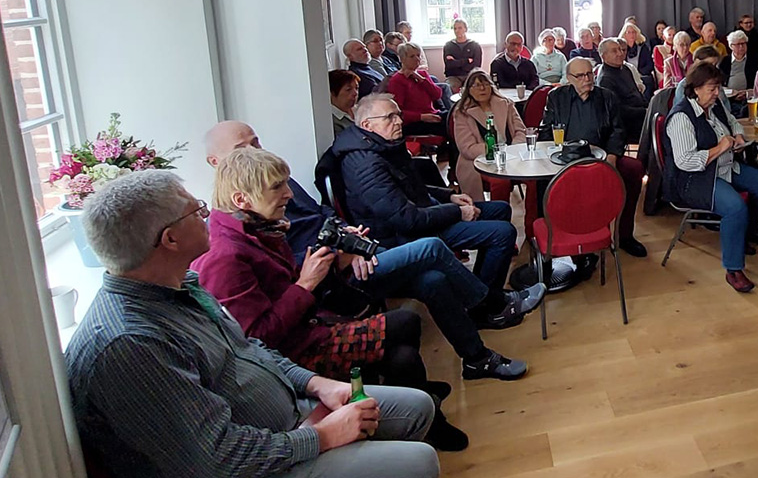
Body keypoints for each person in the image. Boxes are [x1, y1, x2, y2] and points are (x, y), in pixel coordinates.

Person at [65, 172, 440, 478]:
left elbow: (250, 351)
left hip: (284, 424)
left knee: (416, 408)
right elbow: (214, 462)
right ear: (167, 239)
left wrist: (315, 384)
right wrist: (320, 439)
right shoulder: (130, 345)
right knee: (419, 466)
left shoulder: (180, 286)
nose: (210, 213)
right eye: (196, 210)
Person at [207, 121, 528, 385]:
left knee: (433, 281)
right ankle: (492, 303)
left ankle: (476, 359)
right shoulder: (231, 245)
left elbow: (321, 216)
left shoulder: (268, 194)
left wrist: (345, 238)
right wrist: (334, 256)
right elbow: (286, 286)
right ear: (216, 164)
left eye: (256, 141)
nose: (254, 151)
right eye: (242, 149)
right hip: (328, 290)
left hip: (343, 263)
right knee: (432, 248)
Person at [196, 148, 468, 452]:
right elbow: (256, 340)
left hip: (309, 328)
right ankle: (423, 413)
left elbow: (283, 290)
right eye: (277, 187)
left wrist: (334, 265)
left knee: (403, 349)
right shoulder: (224, 257)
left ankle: (417, 412)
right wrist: (306, 283)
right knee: (406, 321)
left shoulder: (257, 229)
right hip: (292, 356)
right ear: (241, 199)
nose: (288, 194)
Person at [331, 95, 539, 369]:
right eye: (390, 118)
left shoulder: (379, 146)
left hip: (422, 215)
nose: (399, 121)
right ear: (368, 124)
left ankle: (486, 302)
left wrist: (450, 197)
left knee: (498, 208)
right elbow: (405, 219)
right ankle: (488, 304)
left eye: (398, 115)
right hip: (403, 235)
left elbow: (411, 189)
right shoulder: (364, 163)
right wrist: (455, 212)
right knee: (500, 232)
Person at [662, 61, 758, 293]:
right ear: (695, 89)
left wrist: (736, 136)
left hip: (725, 167)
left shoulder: (713, 106)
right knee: (735, 208)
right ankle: (733, 269)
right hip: (695, 179)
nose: (717, 93)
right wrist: (719, 148)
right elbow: (685, 161)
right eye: (712, 88)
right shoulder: (681, 117)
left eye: (718, 87)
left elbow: (733, 121)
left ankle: (742, 232)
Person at [538, 56, 648, 263]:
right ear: (568, 78)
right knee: (543, 183)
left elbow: (618, 130)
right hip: (566, 160)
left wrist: (613, 156)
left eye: (589, 74)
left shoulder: (607, 97)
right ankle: (559, 236)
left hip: (603, 158)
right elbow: (545, 131)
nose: (587, 79)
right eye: (580, 76)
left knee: (633, 169)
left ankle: (624, 235)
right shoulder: (557, 97)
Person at [450, 69, 527, 202]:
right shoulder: (462, 113)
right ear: (469, 89)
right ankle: (499, 219)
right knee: (500, 181)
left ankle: (532, 220)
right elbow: (467, 148)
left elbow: (521, 131)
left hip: (512, 156)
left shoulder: (506, 104)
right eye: (477, 85)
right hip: (481, 161)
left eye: (486, 84)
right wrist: (496, 151)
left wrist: (513, 148)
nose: (482, 88)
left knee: (535, 179)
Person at [385, 43, 447, 140]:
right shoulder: (397, 81)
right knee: (450, 127)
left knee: (457, 118)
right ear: (402, 59)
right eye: (412, 56)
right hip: (413, 122)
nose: (417, 59)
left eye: (418, 55)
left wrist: (421, 79)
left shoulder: (422, 74)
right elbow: (398, 112)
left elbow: (437, 95)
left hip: (432, 114)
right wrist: (422, 117)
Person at [596, 37, 650, 139]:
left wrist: (648, 106)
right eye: (614, 51)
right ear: (604, 56)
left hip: (640, 113)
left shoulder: (625, 68)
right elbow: (617, 111)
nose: (620, 54)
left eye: (620, 49)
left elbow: (637, 93)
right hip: (627, 123)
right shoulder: (605, 79)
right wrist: (645, 112)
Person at [440, 19, 482, 92]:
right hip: (453, 76)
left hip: (470, 75)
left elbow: (476, 65)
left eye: (460, 28)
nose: (457, 31)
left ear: (465, 29)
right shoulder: (448, 46)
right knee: (450, 87)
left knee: (476, 87)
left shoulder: (475, 45)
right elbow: (449, 65)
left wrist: (456, 62)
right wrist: (466, 61)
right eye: (455, 28)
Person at [620, 21, 657, 89]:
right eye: (629, 32)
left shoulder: (643, 47)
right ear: (624, 34)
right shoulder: (621, 48)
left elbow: (650, 64)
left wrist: (639, 73)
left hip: (642, 76)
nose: (632, 34)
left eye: (633, 32)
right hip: (626, 77)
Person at [721, 30, 756, 96]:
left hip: (749, 96)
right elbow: (720, 84)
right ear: (731, 46)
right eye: (738, 44)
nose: (741, 47)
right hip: (730, 96)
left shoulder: (754, 60)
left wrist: (746, 93)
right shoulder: (725, 61)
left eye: (743, 43)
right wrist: (732, 93)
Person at [330, 69, 360, 135]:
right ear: (332, 93)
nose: (355, 93)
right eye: (348, 89)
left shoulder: (361, 109)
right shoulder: (332, 122)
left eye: (357, 88)